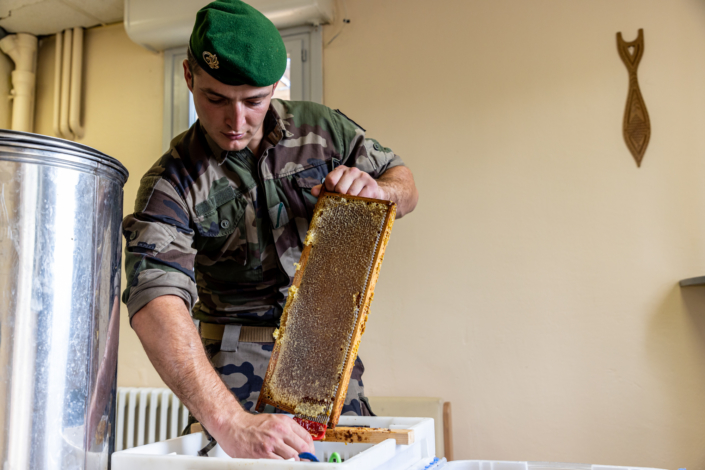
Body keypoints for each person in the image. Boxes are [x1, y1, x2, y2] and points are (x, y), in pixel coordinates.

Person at [121, 0, 419, 461]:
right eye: (215, 98)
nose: (235, 123)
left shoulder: (323, 130)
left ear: (277, 84)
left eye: (254, 101)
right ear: (188, 76)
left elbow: (404, 183)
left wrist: (380, 193)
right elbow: (154, 300)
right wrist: (230, 422)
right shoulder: (171, 183)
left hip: (326, 357)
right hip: (229, 376)